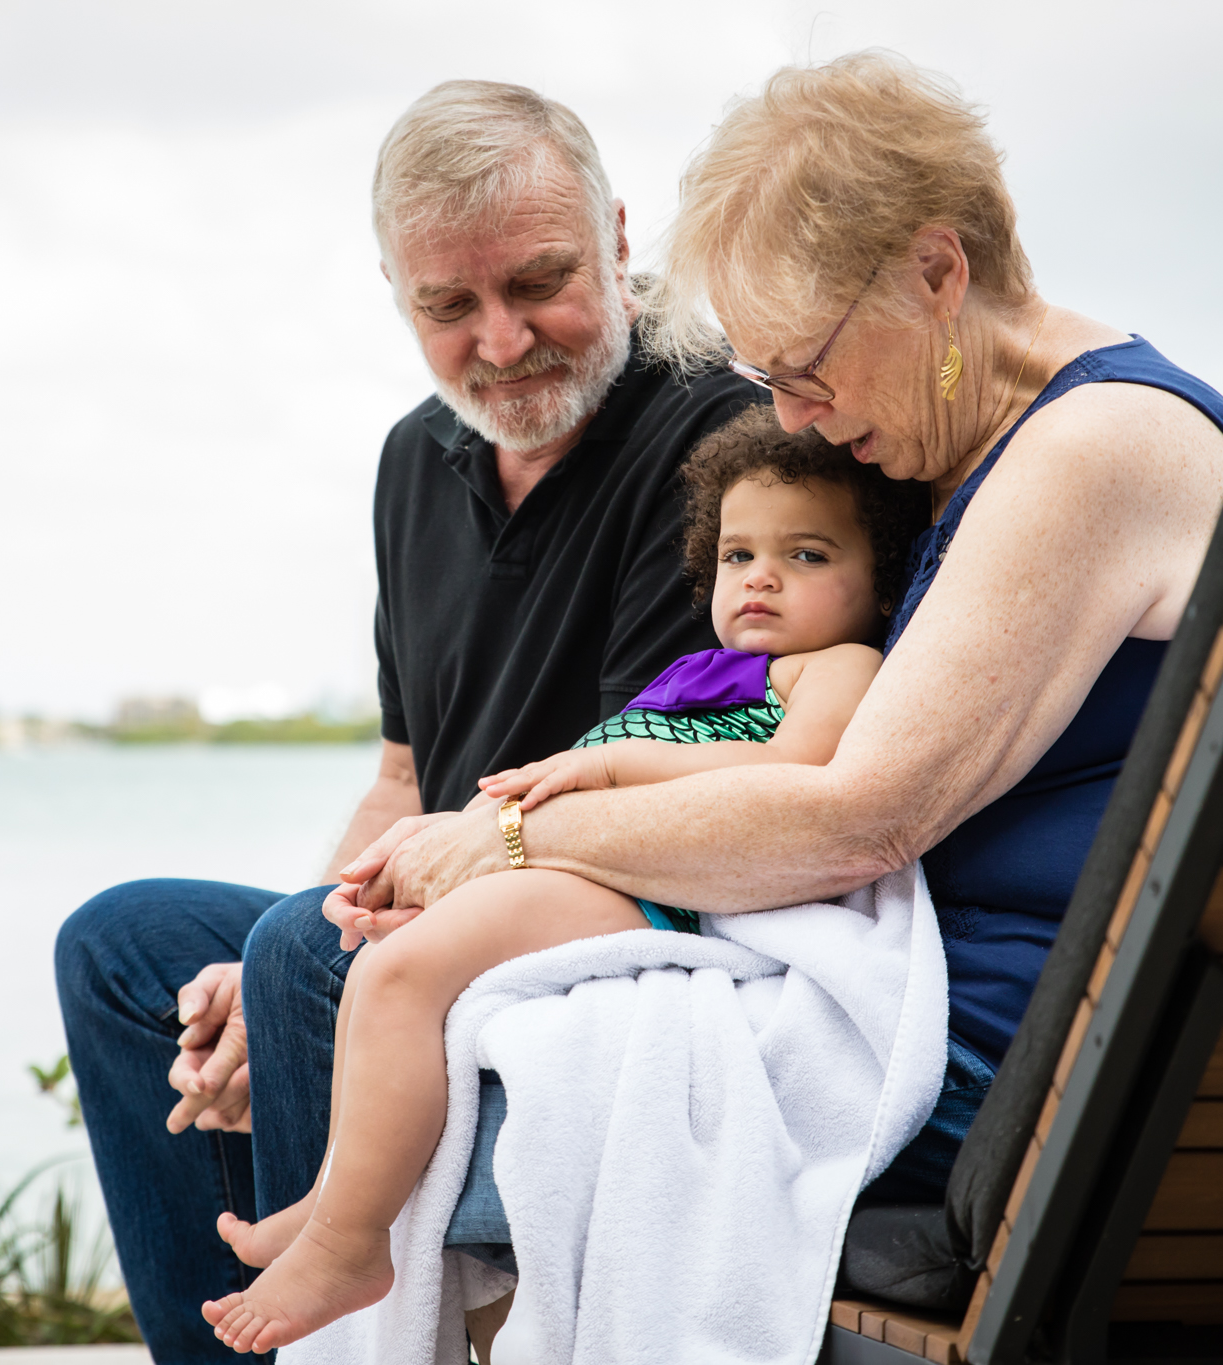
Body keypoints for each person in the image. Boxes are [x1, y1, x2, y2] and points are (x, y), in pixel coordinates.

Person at [331, 51, 1223, 1215]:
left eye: (805, 367)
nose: (786, 419)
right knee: (436, 1060)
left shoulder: (1091, 448)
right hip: (926, 1006)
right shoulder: (967, 446)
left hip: (1022, 1057)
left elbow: (857, 817)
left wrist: (512, 841)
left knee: (462, 1132)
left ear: (934, 271)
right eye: (761, 375)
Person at [52, 80, 759, 1361]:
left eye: (539, 282)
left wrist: (292, 957)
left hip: (596, 932)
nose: (500, 342)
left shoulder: (713, 432)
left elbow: (635, 795)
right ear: (393, 289)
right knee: (120, 948)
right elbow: (401, 772)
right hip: (422, 909)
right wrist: (262, 969)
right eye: (447, 305)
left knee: (297, 957)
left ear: (613, 234)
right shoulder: (411, 459)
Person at [198, 409, 920, 1353]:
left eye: (810, 554)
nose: (763, 577)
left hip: (670, 892)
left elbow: (799, 767)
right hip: (606, 867)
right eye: (738, 554)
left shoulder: (835, 665)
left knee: (401, 976)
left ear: (878, 585)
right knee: (375, 963)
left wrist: (607, 770)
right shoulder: (697, 673)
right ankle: (341, 1202)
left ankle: (348, 1239)